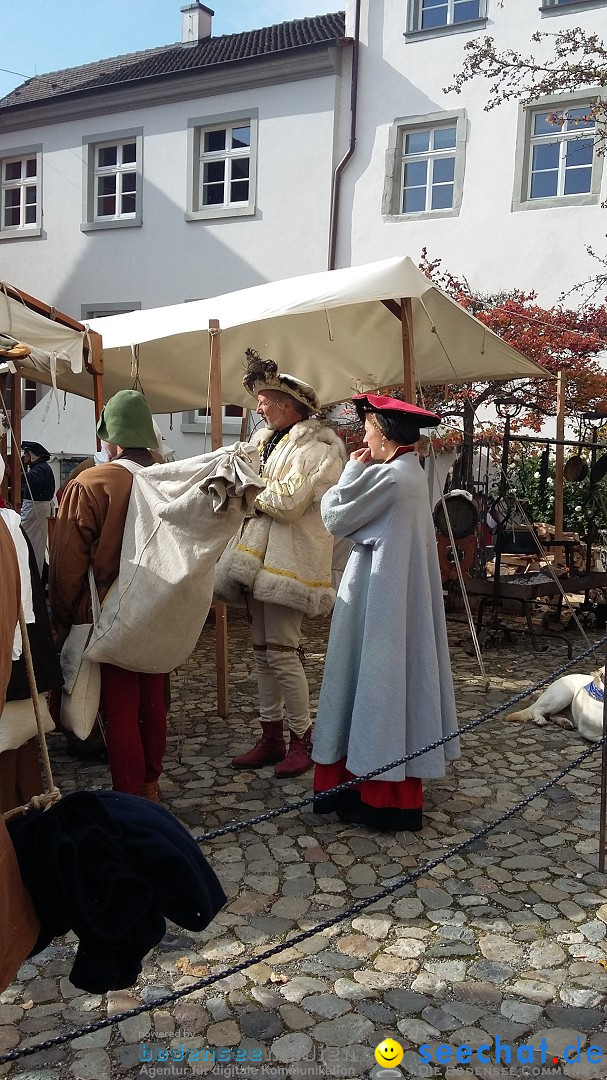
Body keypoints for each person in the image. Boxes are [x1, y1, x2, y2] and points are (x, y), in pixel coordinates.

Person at [311, 393, 460, 832]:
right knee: (389, 686)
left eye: (370, 429)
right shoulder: (410, 475)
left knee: (374, 685)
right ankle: (380, 787)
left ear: (386, 434)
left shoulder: (391, 478)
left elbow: (335, 516)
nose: (365, 436)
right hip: (392, 599)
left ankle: (372, 793)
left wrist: (353, 469)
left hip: (378, 602)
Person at [215, 349, 346, 778]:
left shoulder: (318, 448)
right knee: (261, 653)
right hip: (257, 560)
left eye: (266, 401)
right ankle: (270, 735)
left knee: (284, 653)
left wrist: (247, 490)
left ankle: (302, 737)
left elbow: (288, 503)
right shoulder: (263, 443)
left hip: (290, 562)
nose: (258, 408)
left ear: (289, 405)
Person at [49, 390, 167, 802]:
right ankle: (151, 784)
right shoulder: (170, 476)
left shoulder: (91, 483)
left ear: (110, 438)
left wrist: (63, 618)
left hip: (110, 607)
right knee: (153, 699)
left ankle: (132, 797)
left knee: (119, 708)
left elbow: (67, 563)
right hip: (159, 604)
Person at [20, 440, 56, 577]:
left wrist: (13, 474)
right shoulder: (40, 467)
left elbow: (30, 478)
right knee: (33, 543)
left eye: (26, 453)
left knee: (31, 543)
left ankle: (34, 577)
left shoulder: (41, 468)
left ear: (33, 455)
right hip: (35, 508)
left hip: (36, 509)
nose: (24, 456)